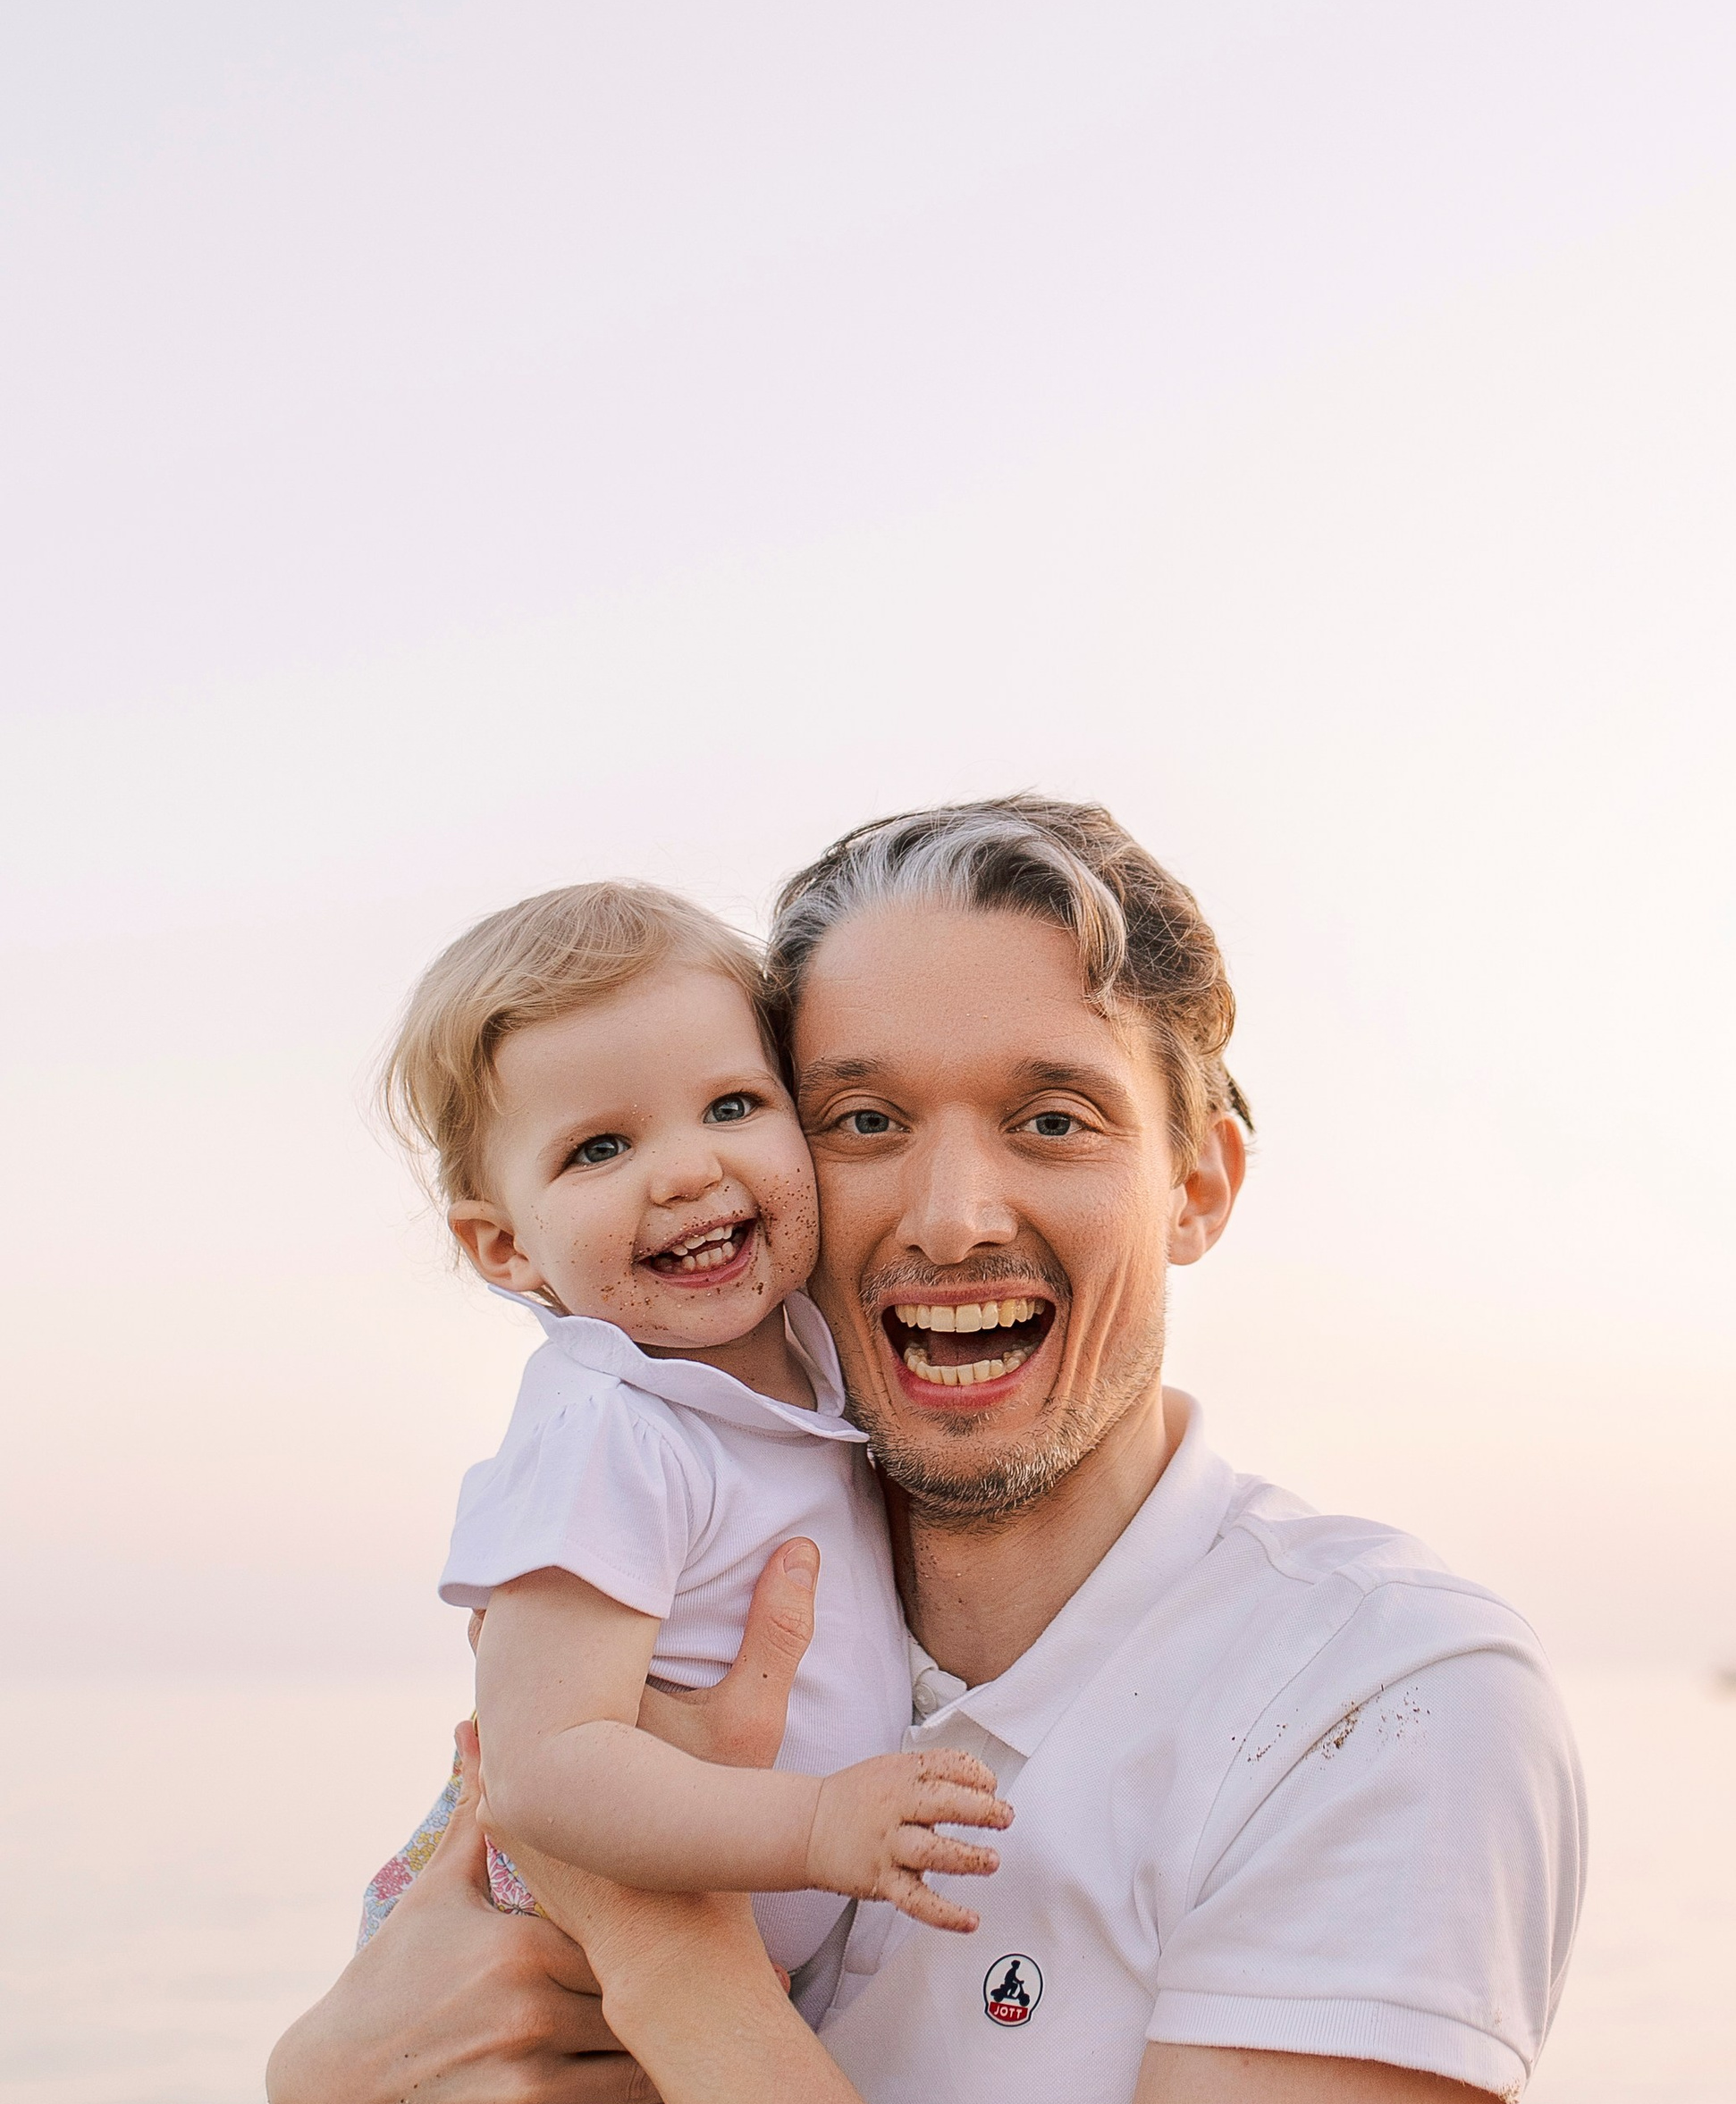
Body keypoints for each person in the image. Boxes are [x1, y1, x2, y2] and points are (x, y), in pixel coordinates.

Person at [270, 798, 1587, 2103]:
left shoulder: (1380, 1695)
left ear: (1198, 1187)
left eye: (1054, 1119)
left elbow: (608, 1893)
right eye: (863, 1122)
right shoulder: (695, 1575)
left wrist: (658, 1947)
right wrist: (320, 2079)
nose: (952, 1222)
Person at [363, 881, 1008, 1974]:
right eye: (600, 1149)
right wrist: (813, 1826)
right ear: (506, 1248)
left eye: (729, 1107)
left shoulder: (806, 1370)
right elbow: (548, 1765)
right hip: (540, 1955)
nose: (686, 1169)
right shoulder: (611, 1429)